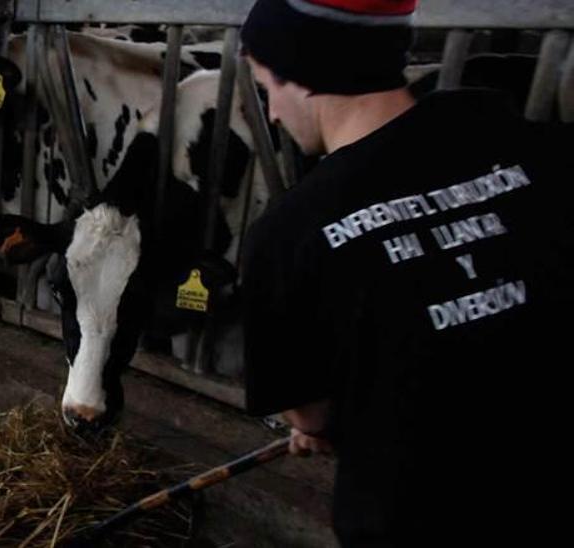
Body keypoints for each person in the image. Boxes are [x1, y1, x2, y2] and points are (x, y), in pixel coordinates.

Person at [238, 0, 573, 545]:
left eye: (265, 86)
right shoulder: (548, 153)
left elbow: (311, 414)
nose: (271, 112)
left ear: (301, 72)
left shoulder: (290, 235)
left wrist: (320, 427)